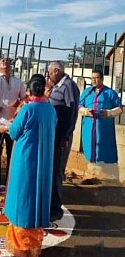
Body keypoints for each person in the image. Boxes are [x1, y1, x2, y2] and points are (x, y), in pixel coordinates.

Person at [1, 74, 57, 257]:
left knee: (22, 195)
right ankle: (34, 244)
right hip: (44, 158)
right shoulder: (50, 109)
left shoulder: (28, 109)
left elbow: (15, 131)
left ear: (30, 90)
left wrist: (5, 127)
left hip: (25, 158)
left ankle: (22, 246)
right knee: (37, 195)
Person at [0, 58, 26, 194]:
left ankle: (10, 183)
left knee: (11, 153)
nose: (4, 62)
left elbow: (24, 99)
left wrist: (17, 104)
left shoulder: (17, 81)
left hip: (12, 123)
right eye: (1, 61)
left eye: (7, 61)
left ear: (11, 66)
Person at [48, 61, 80, 221]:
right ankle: (50, 205)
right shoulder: (57, 86)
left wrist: (65, 136)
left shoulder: (68, 86)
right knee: (52, 170)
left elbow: (73, 112)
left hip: (61, 137)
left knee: (57, 172)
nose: (48, 75)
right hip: (54, 136)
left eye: (49, 72)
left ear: (55, 71)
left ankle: (55, 209)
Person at [79, 70, 122, 164]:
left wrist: (109, 113)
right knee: (89, 148)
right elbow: (79, 106)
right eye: (92, 78)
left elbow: (120, 109)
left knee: (104, 150)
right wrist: (85, 111)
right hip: (89, 127)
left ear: (102, 79)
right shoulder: (87, 92)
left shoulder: (110, 93)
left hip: (103, 128)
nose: (94, 80)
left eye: (97, 78)